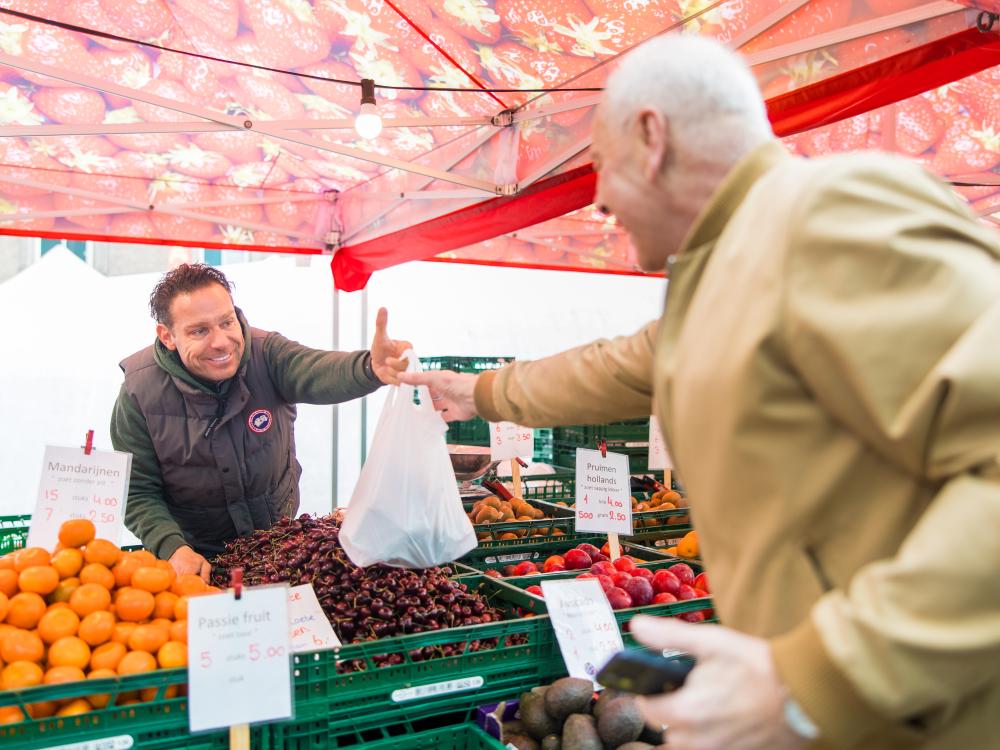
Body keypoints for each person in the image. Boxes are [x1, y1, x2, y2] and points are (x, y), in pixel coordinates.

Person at [400, 34, 1000, 750]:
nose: (599, 198)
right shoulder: (727, 272)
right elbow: (618, 367)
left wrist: (823, 678)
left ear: (652, 138)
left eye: (602, 165)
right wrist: (480, 391)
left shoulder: (834, 214)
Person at [111, 263, 410, 581]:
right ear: (168, 336)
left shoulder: (267, 354)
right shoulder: (139, 392)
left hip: (280, 551)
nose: (222, 341)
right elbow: (137, 490)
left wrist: (369, 368)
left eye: (227, 322)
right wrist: (172, 547)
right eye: (200, 331)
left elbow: (318, 370)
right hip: (198, 565)